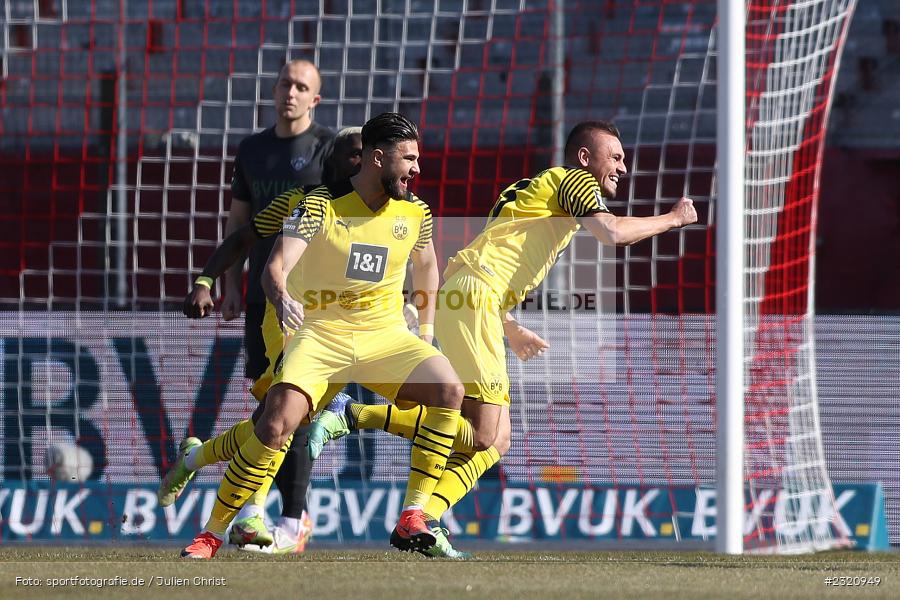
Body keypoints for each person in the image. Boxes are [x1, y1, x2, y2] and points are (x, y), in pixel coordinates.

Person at [308, 120, 699, 558]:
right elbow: (612, 234)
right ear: (585, 158)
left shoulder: (532, 191)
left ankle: (421, 519)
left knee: (498, 440)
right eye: (617, 157)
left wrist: (509, 325)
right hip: (475, 297)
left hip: (472, 298)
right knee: (483, 430)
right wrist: (673, 218)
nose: (623, 168)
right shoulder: (572, 179)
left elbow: (495, 248)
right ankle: (355, 415)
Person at [180, 112, 471, 560]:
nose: (417, 169)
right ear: (377, 158)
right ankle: (212, 533)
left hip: (384, 336)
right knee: (275, 426)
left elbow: (428, 265)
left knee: (449, 389)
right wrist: (279, 297)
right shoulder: (318, 204)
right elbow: (274, 266)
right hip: (319, 335)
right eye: (409, 158)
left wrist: (427, 332)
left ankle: (414, 514)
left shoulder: (416, 212)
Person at [158, 128, 363, 554]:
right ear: (333, 163)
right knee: (282, 418)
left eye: (371, 154)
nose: (365, 162)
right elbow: (241, 238)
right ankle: (247, 514)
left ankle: (195, 459)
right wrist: (205, 280)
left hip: (338, 331)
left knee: (283, 421)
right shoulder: (301, 202)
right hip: (287, 320)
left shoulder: (384, 213)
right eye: (355, 155)